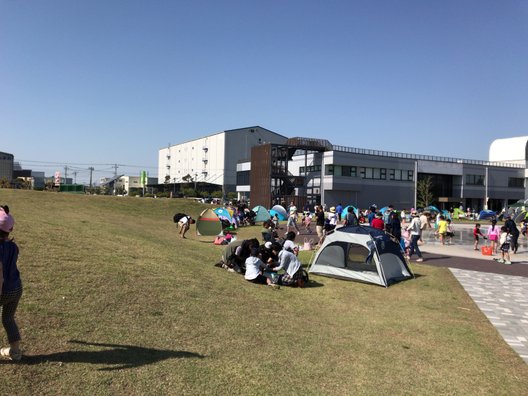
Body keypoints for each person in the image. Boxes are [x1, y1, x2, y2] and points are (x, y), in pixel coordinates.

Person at [0, 206, 23, 361]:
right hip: (16, 288)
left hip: (2, 289)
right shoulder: (13, 246)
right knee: (8, 318)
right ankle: (15, 352)